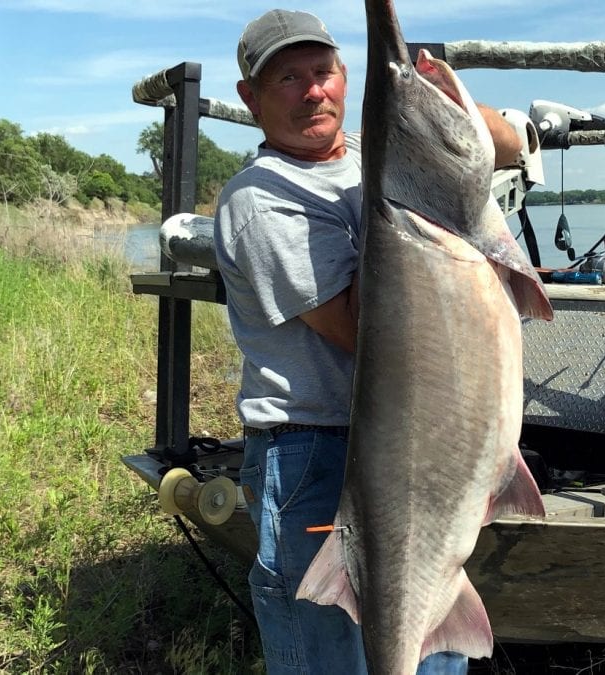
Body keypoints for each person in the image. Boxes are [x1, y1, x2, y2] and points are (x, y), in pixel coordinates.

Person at [213, 9, 522, 674]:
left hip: (413, 442)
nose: (312, 91)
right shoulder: (259, 202)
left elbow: (503, 145)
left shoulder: (371, 154)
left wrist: (446, 102)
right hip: (314, 456)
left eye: (322, 72)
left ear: (344, 76)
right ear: (251, 98)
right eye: (288, 78)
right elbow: (368, 333)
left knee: (428, 646)